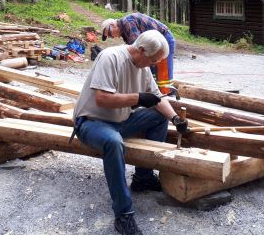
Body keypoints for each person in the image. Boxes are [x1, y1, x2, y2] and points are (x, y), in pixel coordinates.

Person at [72, 30, 189, 235]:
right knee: (114, 142)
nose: (154, 64)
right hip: (91, 122)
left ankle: (143, 178)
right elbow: (102, 99)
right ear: (141, 50)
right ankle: (123, 214)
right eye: (153, 60)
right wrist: (137, 98)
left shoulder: (142, 67)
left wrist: (175, 119)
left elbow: (156, 98)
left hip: (120, 121)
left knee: (159, 116)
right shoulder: (111, 57)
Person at [100, 13, 176, 95]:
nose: (113, 37)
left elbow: (137, 46)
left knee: (163, 74)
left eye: (110, 34)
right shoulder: (124, 31)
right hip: (154, 45)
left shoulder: (127, 23)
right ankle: (154, 94)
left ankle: (168, 97)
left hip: (164, 40)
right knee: (152, 70)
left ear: (113, 25)